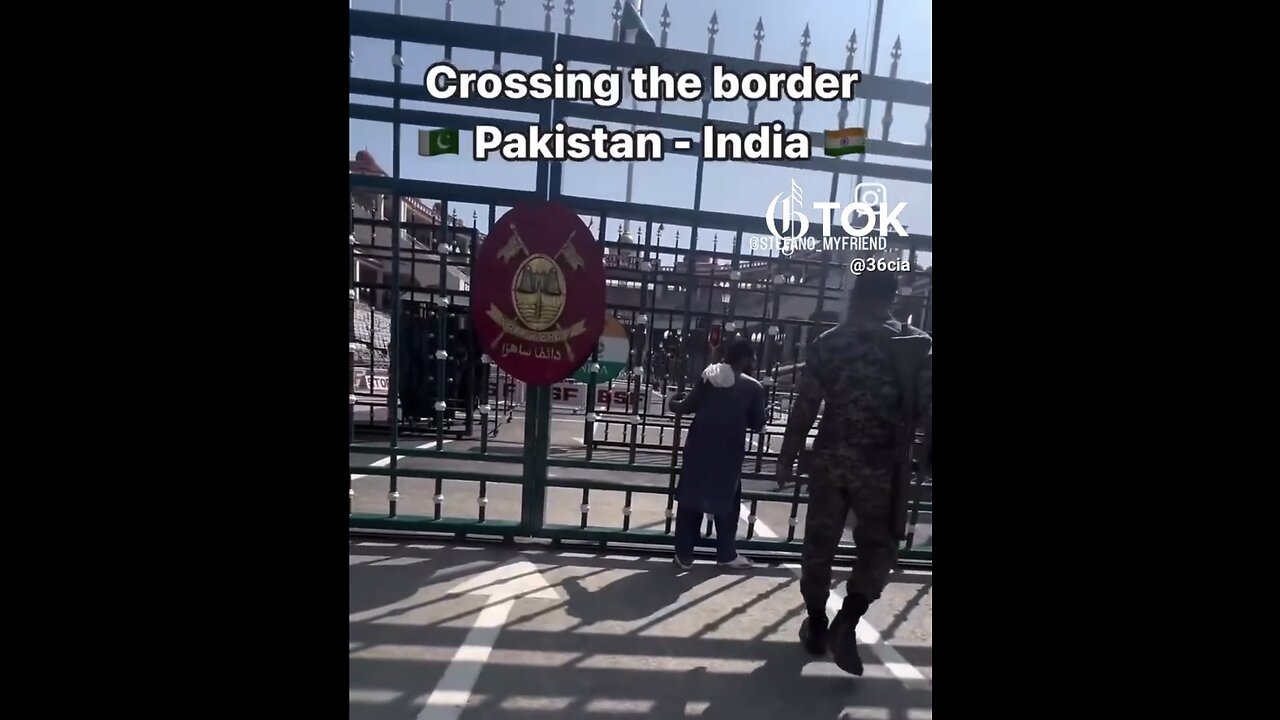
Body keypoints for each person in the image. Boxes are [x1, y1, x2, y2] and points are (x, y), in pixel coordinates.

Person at [775, 272, 932, 676]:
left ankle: (816, 622)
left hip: (830, 460)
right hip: (882, 464)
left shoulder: (828, 343)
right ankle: (849, 615)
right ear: (893, 299)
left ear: (854, 296)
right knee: (880, 546)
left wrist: (787, 455)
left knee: (819, 544)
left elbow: (806, 405)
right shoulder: (915, 346)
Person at [668, 337, 768, 570]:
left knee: (690, 500)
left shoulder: (709, 376)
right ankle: (725, 554)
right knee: (728, 501)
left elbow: (686, 407)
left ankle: (684, 555)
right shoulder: (753, 387)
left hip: (699, 448)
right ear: (745, 358)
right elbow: (757, 423)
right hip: (728, 453)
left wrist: (673, 402)